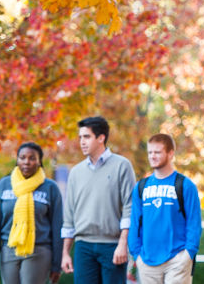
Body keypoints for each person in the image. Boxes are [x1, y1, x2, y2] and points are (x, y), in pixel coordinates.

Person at [61, 116, 137, 283]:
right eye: (80, 137)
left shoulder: (122, 166)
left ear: (101, 138)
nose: (82, 142)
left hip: (112, 246)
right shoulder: (76, 172)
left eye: (86, 137)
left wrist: (123, 244)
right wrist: (65, 253)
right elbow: (69, 215)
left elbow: (130, 207)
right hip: (83, 247)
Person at [0, 142, 64, 284]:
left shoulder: (50, 188)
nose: (27, 162)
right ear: (17, 160)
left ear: (39, 162)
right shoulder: (4, 185)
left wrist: (57, 264)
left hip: (38, 251)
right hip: (9, 251)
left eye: (32, 158)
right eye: (22, 157)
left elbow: (58, 228)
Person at [128, 134, 202, 284]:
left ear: (170, 153)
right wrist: (137, 255)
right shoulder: (141, 187)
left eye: (157, 152)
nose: (152, 156)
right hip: (147, 262)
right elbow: (135, 223)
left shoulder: (185, 185)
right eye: (150, 152)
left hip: (177, 259)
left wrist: (188, 254)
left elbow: (194, 224)